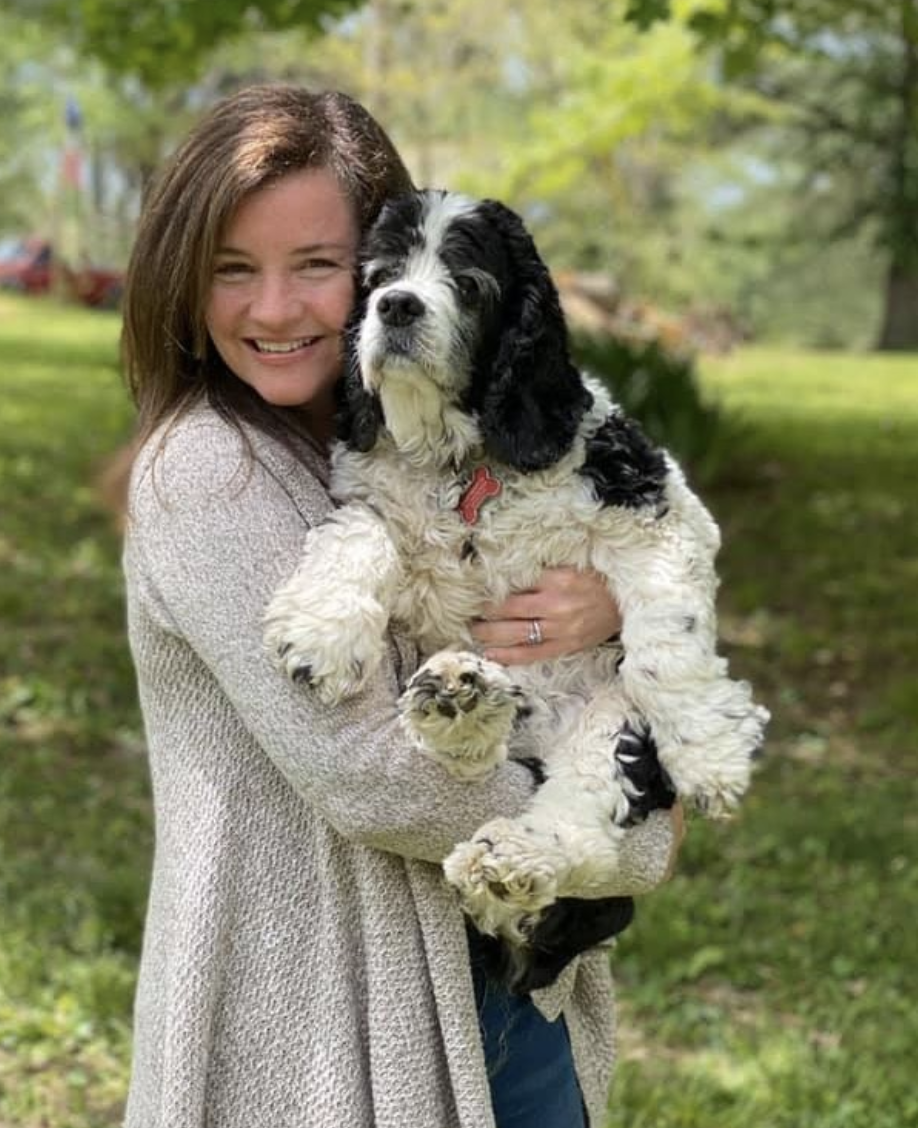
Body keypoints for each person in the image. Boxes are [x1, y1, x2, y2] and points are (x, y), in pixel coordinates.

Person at [120, 83, 683, 1128]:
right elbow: (374, 775)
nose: (277, 310)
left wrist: (610, 607)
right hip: (318, 1028)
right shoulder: (208, 472)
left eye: (318, 267)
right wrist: (627, 828)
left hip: (502, 993)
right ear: (181, 286)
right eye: (231, 271)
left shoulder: (418, 451)